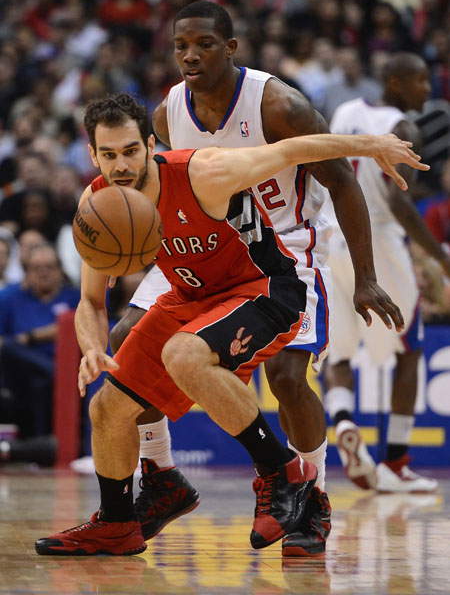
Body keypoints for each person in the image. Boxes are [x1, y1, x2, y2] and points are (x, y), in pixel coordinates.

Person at [34, 93, 425, 556]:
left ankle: (284, 474)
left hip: (264, 287)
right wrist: (91, 348)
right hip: (191, 295)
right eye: (109, 154)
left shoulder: (204, 172)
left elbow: (292, 151)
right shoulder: (97, 202)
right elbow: (90, 302)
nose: (121, 165)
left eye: (131, 151)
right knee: (107, 407)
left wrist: (372, 144)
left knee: (185, 354)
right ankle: (118, 523)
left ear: (151, 144)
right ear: (93, 155)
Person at [110, 1, 409, 558]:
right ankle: (162, 476)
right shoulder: (166, 115)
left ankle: (312, 494)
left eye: (202, 43)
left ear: (231, 48)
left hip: (284, 248)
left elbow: (343, 183)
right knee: (125, 338)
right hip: (203, 250)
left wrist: (364, 277)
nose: (190, 55)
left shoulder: (277, 104)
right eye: (180, 46)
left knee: (287, 376)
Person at [324, 52, 450, 492]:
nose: (426, 89)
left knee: (338, 353)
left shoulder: (344, 112)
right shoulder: (405, 127)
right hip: (376, 241)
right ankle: (396, 464)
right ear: (395, 82)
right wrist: (440, 257)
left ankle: (342, 423)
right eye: (419, 81)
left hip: (335, 241)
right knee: (410, 350)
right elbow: (398, 201)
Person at [0, 243, 80, 438]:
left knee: (40, 382)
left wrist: (30, 337)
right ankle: (52, 370)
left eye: (50, 267)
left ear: (60, 271)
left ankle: (41, 448)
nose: (44, 273)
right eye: (37, 268)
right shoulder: (10, 297)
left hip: (66, 366)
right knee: (10, 347)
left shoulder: (74, 297)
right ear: (26, 272)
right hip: (19, 370)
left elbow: (77, 327)